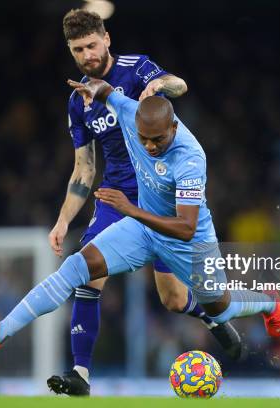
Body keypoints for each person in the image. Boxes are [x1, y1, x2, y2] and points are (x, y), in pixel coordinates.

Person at [0, 79, 280, 390]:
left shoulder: (190, 158)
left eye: (158, 139)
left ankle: (268, 302)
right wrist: (92, 89)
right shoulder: (132, 112)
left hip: (190, 244)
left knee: (220, 307)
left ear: (173, 128)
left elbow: (186, 227)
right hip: (143, 229)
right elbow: (107, 92)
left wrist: (130, 209)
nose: (149, 145)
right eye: (143, 138)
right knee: (76, 267)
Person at [45, 9, 240, 395]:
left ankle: (213, 317)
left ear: (107, 39)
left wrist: (160, 87)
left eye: (91, 45)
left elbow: (179, 84)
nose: (86, 55)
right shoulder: (79, 102)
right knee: (88, 270)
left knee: (172, 298)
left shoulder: (136, 70)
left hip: (161, 195)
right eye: (77, 49)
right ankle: (80, 375)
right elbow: (83, 170)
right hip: (117, 197)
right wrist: (63, 220)